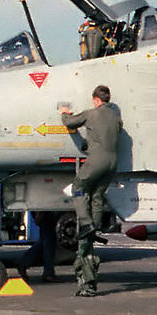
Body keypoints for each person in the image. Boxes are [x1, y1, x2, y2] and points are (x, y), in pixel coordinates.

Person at [61, 85, 122, 297]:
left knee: (78, 189)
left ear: (96, 99)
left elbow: (70, 123)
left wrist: (64, 114)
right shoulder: (115, 117)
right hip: (112, 164)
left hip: (96, 162)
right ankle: (94, 226)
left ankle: (86, 224)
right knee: (97, 196)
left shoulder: (91, 114)